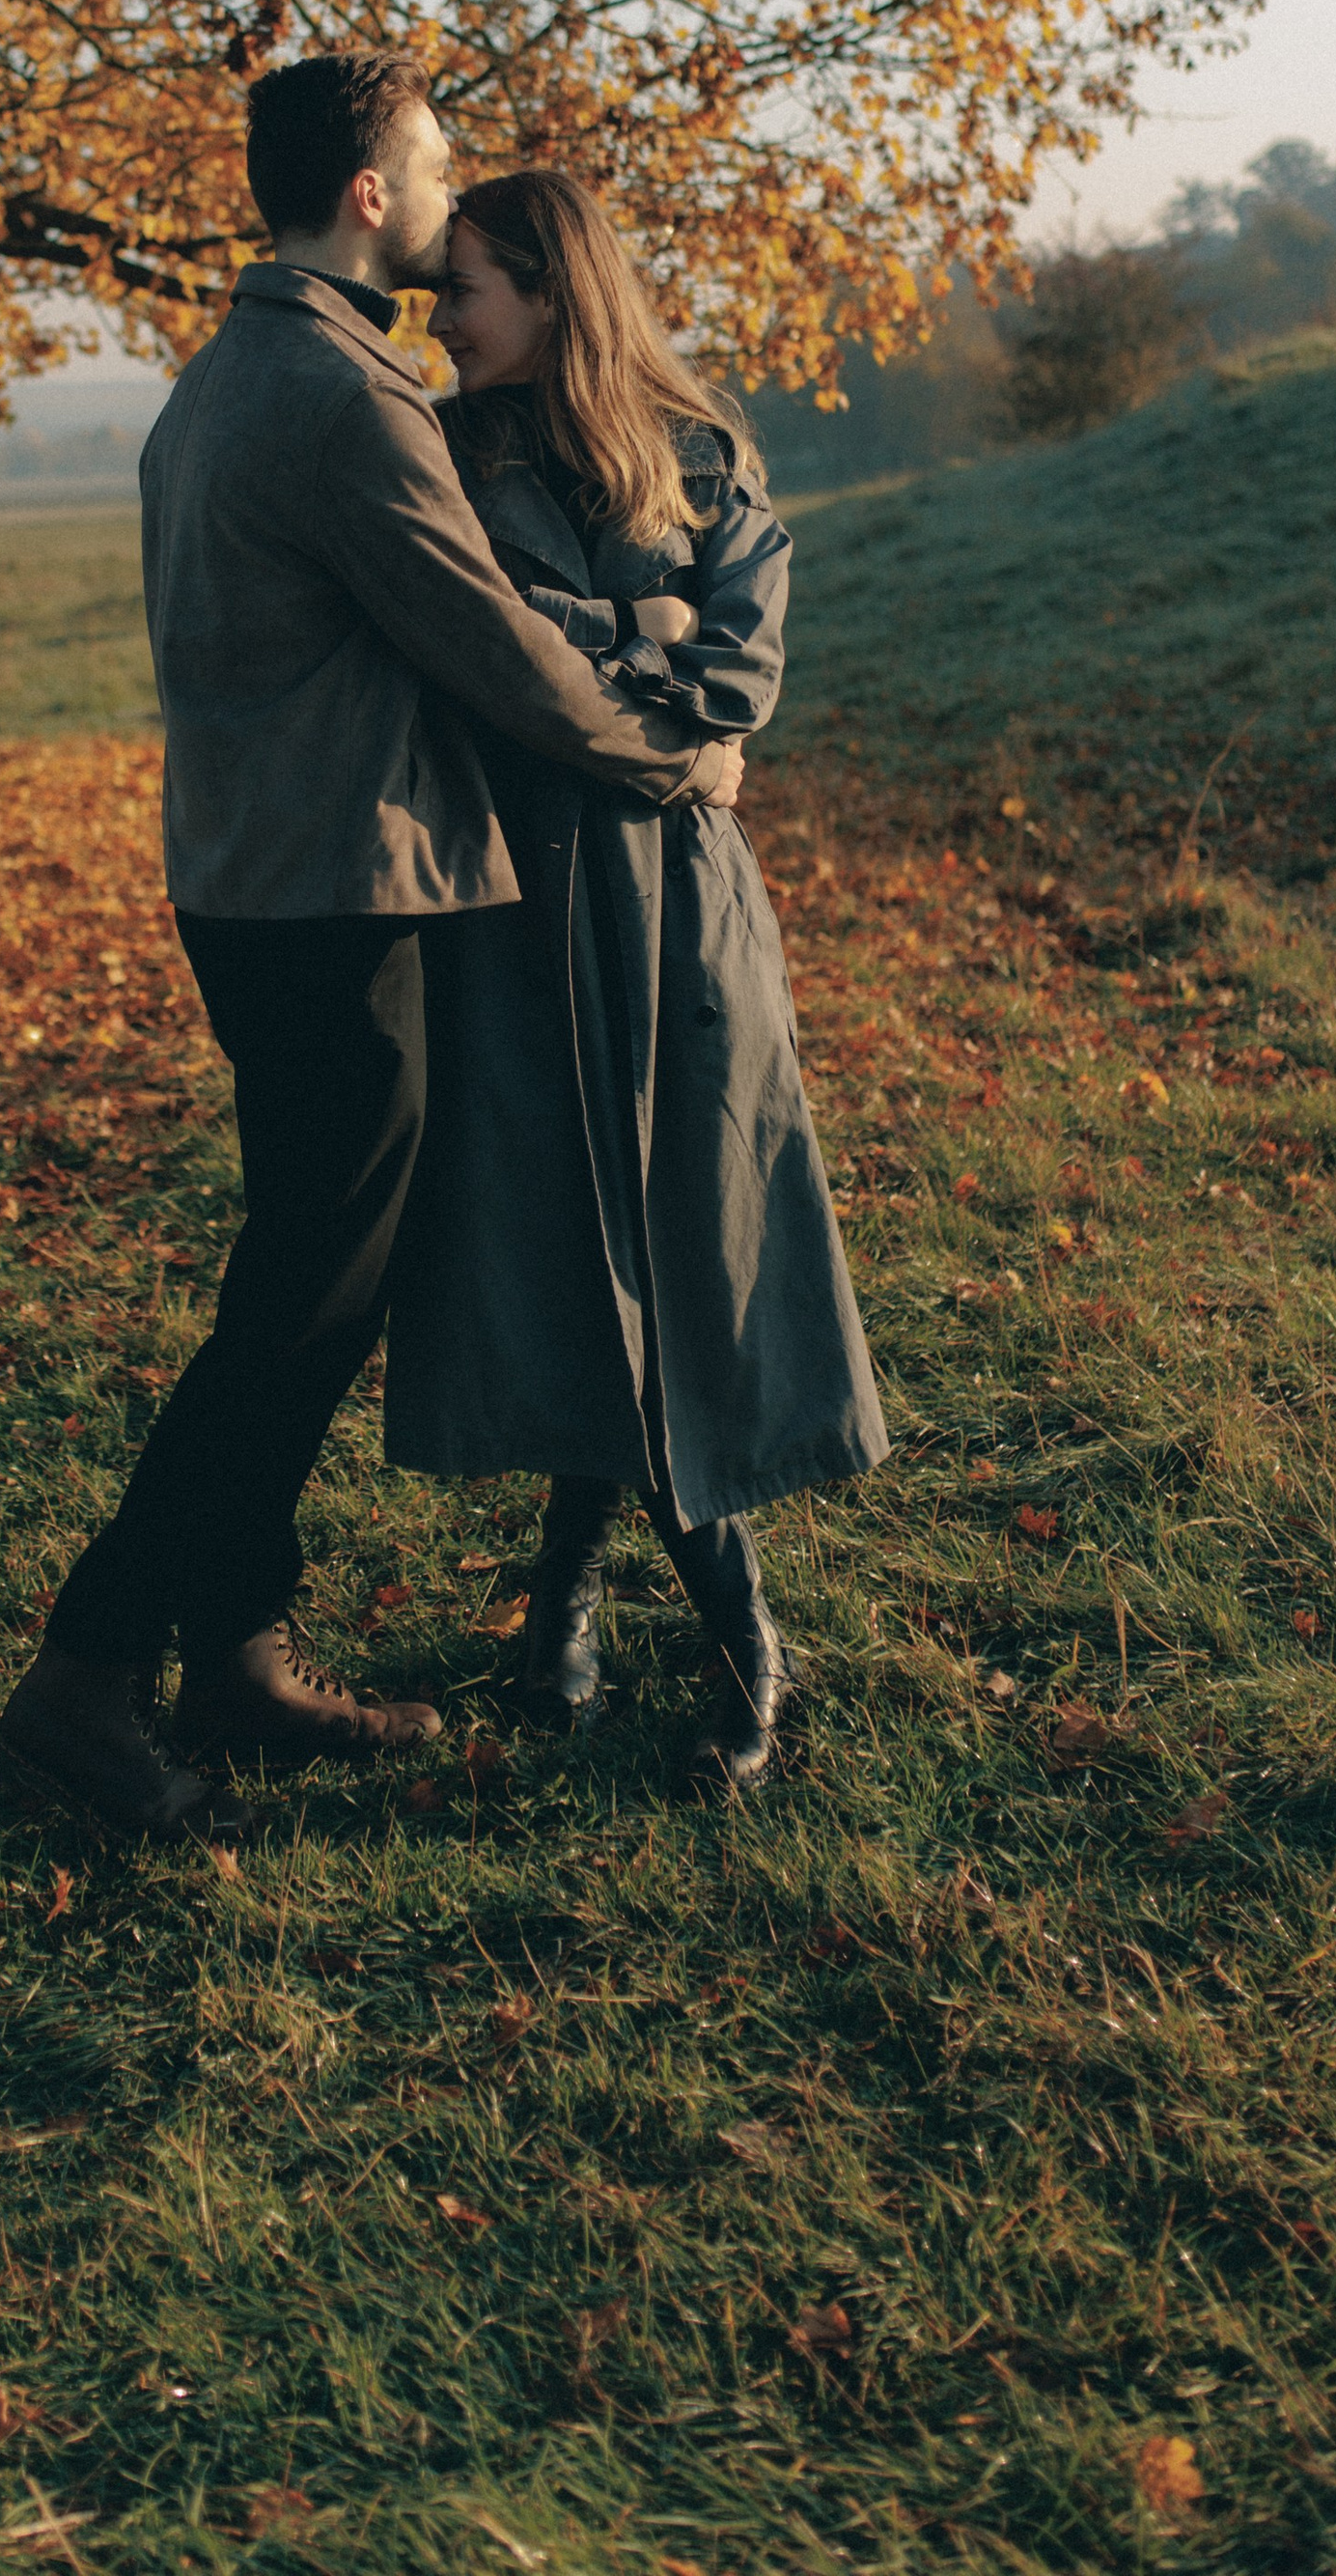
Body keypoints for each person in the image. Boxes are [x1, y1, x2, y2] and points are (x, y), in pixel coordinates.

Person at [0, 56, 744, 1841]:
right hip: (336, 899)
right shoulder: (342, 399)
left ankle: (236, 1650)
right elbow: (490, 645)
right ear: (364, 194)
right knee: (297, 1309)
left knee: (304, 1285)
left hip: (260, 884)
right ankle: (89, 1672)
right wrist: (677, 750)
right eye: (431, 170)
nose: (445, 196)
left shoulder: (225, 378)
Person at [385, 169, 887, 1793]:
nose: (437, 316)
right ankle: (612, 1625)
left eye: (461, 287)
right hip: (520, 912)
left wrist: (611, 652)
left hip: (680, 918)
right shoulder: (443, 462)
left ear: (550, 292)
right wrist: (635, 639)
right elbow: (475, 663)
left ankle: (673, 1637)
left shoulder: (702, 456)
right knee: (575, 1255)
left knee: (674, 1255)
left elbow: (741, 673)